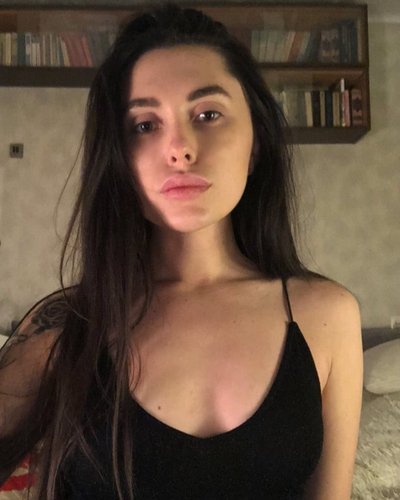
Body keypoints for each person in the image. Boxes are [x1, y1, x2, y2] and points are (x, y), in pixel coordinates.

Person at [0, 4, 363, 499]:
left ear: (256, 143)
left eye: (208, 114)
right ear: (120, 158)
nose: (180, 148)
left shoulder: (327, 315)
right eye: (144, 125)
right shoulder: (69, 323)